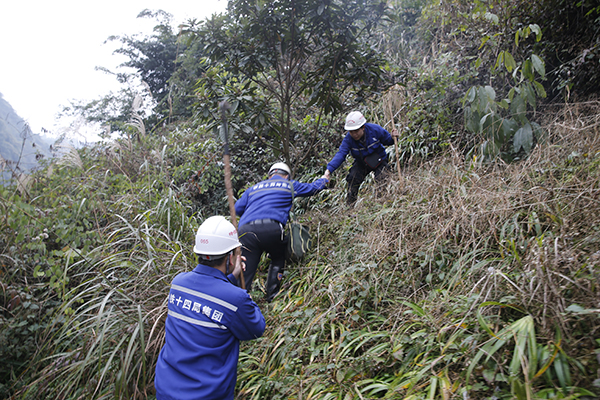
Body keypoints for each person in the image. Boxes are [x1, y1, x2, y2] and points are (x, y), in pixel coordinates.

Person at [154, 216, 265, 400]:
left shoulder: (178, 284)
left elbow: (209, 295)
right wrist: (245, 297)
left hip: (166, 390)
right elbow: (256, 328)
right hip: (206, 395)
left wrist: (232, 277)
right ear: (230, 258)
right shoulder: (235, 299)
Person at [235, 162, 329, 302]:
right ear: (286, 176)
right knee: (278, 256)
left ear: (270, 175)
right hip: (271, 228)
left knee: (246, 266)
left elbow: (237, 209)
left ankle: (237, 300)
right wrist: (325, 179)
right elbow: (313, 188)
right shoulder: (289, 185)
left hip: (246, 230)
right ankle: (271, 296)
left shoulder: (253, 188)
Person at [324, 111, 399, 205]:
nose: (354, 134)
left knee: (382, 178)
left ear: (363, 127)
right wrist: (328, 170)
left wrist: (394, 137)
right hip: (362, 162)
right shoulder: (348, 139)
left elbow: (389, 141)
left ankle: (382, 203)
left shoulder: (375, 130)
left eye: (356, 131)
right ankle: (350, 206)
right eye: (351, 132)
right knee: (353, 178)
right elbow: (341, 154)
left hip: (379, 160)